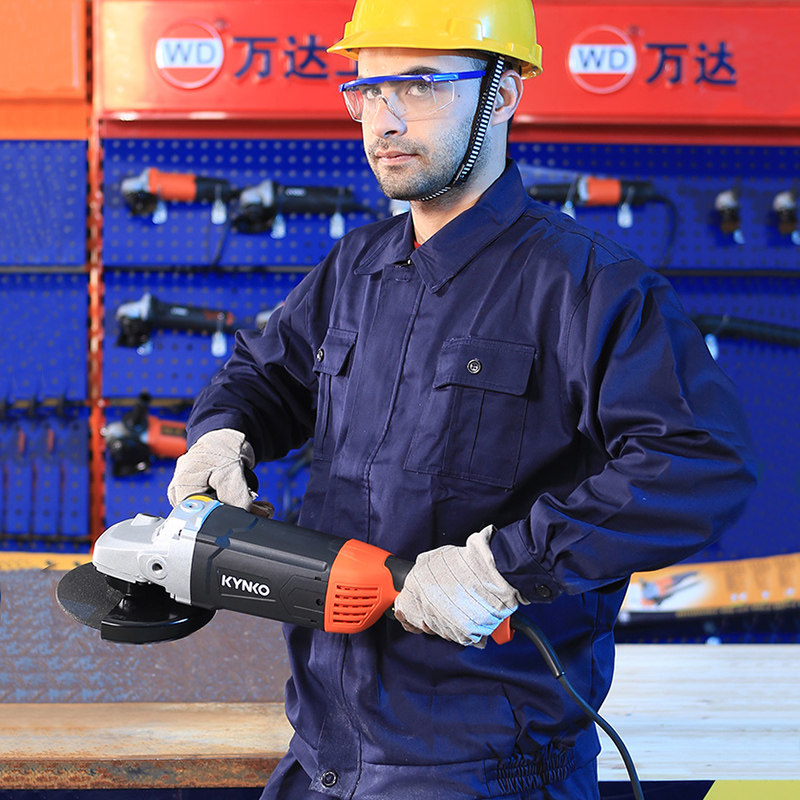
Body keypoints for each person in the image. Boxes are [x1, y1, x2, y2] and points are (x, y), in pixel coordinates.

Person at [168, 1, 757, 797]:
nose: (384, 119)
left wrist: (505, 568)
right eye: (367, 90)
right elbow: (266, 373)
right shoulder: (356, 265)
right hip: (322, 752)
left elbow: (698, 462)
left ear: (502, 94)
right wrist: (223, 432)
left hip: (489, 771)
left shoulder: (590, 287)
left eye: (418, 86)